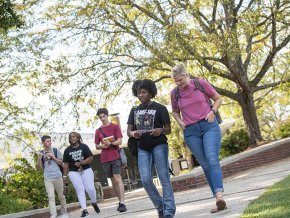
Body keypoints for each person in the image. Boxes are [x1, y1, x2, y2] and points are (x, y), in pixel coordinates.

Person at [170, 64, 226, 213]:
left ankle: (219, 196)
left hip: (208, 125)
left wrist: (213, 111)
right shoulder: (175, 93)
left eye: (180, 80)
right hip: (191, 132)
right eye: (176, 81)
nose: (179, 83)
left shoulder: (200, 84)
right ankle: (218, 198)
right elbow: (174, 111)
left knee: (212, 159)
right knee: (205, 165)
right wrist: (180, 122)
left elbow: (218, 99)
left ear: (186, 75)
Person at [127, 79, 176, 218]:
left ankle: (169, 211)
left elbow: (168, 130)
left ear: (150, 92)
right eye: (138, 93)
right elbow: (128, 131)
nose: (141, 95)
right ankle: (160, 206)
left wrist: (160, 130)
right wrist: (133, 133)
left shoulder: (160, 108)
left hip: (159, 145)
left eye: (144, 92)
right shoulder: (134, 110)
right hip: (143, 148)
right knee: (146, 179)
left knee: (164, 178)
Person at [95, 108, 127, 212]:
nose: (102, 119)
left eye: (103, 116)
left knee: (117, 178)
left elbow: (119, 141)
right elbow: (96, 146)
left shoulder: (115, 126)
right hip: (105, 158)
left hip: (115, 156)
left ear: (107, 115)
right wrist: (102, 146)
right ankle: (120, 201)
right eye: (100, 117)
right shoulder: (98, 131)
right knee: (113, 181)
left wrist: (111, 144)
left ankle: (122, 202)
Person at [62, 132, 100, 217]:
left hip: (86, 169)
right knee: (80, 190)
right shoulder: (67, 150)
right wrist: (64, 176)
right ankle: (84, 210)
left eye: (73, 137)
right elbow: (66, 164)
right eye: (70, 137)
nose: (71, 138)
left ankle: (94, 202)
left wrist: (81, 163)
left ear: (78, 138)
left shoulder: (84, 147)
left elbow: (90, 158)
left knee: (90, 188)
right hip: (73, 172)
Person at [36, 135, 67, 218]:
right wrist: (39, 158)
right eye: (47, 141)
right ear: (43, 143)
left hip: (57, 176)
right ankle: (53, 214)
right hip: (48, 178)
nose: (49, 142)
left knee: (61, 196)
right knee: (51, 197)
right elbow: (39, 168)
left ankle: (64, 212)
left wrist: (53, 157)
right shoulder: (41, 153)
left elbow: (62, 163)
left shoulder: (56, 151)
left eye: (50, 141)